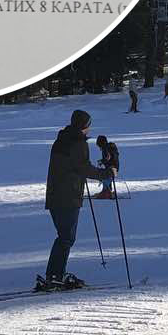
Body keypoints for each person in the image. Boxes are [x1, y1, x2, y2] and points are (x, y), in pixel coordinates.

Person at [39, 109, 113, 291]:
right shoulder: (78, 143)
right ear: (83, 126)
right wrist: (107, 173)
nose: (89, 129)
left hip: (56, 194)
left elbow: (74, 166)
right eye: (88, 125)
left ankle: (55, 274)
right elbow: (84, 168)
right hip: (67, 196)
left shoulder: (62, 139)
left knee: (64, 237)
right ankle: (55, 276)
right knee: (66, 237)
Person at [92, 134, 120, 200]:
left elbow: (108, 157)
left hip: (111, 168)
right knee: (106, 177)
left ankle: (106, 193)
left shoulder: (105, 148)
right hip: (115, 168)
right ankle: (108, 191)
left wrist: (101, 161)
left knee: (103, 176)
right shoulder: (110, 147)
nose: (99, 148)